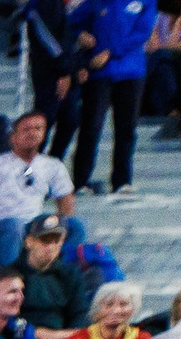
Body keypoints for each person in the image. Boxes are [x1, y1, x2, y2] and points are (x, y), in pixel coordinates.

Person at [0, 111, 78, 268]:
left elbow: (65, 199)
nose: (33, 133)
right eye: (26, 129)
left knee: (76, 226)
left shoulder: (53, 165)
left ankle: (58, 270)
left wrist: (61, 226)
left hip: (35, 223)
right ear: (13, 137)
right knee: (14, 226)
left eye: (38, 128)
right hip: (2, 224)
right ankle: (8, 273)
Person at [70, 0, 152, 194]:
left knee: (126, 128)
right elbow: (71, 23)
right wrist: (80, 35)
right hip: (99, 73)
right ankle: (80, 180)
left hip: (131, 72)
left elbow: (142, 33)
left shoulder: (146, 1)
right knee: (91, 126)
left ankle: (122, 181)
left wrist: (110, 52)